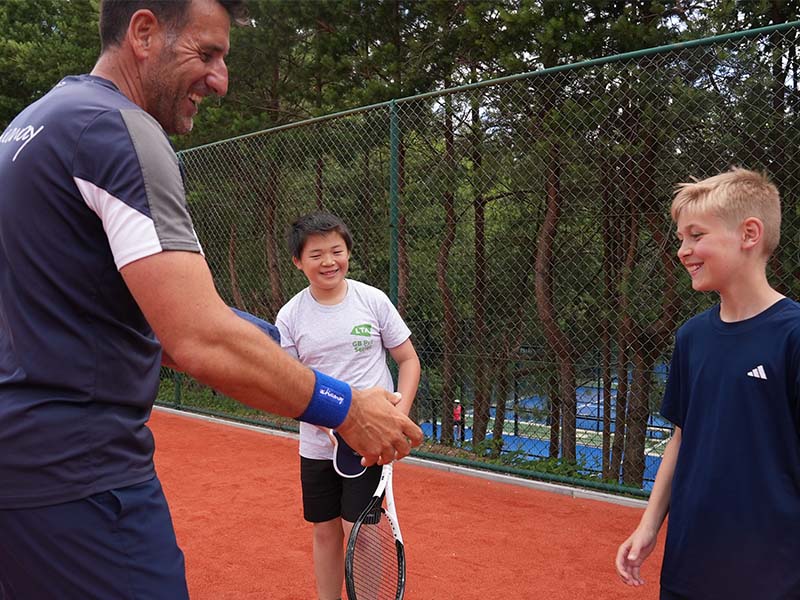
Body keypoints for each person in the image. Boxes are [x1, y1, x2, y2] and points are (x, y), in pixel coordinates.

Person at [0, 1, 422, 598]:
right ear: (143, 32)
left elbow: (126, 319)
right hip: (84, 480)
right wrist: (345, 407)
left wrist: (267, 346)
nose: (220, 81)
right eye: (208, 54)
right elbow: (196, 338)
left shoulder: (31, 127)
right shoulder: (119, 132)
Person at [615, 167, 800, 599]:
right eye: (681, 238)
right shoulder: (692, 337)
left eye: (696, 236)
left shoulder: (792, 336)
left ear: (749, 234)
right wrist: (649, 526)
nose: (683, 250)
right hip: (691, 562)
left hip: (773, 572)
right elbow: (682, 435)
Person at [275, 212, 421, 600]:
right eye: (317, 254)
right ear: (298, 261)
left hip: (369, 447)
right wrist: (334, 425)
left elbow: (408, 360)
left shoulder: (372, 301)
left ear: (348, 254)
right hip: (317, 445)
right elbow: (290, 387)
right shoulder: (290, 316)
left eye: (337, 251)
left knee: (362, 529)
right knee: (324, 528)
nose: (329, 262)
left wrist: (396, 417)